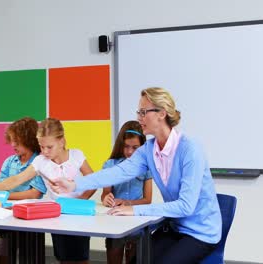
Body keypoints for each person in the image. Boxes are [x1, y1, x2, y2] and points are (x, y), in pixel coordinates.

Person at [51, 87, 222, 264]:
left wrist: (134, 209)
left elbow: (186, 206)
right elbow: (118, 172)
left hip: (201, 233)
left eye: (143, 112)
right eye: (138, 112)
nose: (139, 117)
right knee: (136, 261)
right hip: (175, 228)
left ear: (161, 113)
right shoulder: (149, 149)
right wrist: (74, 184)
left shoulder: (190, 148)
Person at [0, 117, 96, 264]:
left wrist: (81, 200)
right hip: (59, 216)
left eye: (49, 147)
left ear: (61, 142)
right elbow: (17, 179)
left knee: (81, 257)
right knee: (63, 257)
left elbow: (93, 180)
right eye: (41, 147)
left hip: (79, 214)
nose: (45, 151)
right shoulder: (40, 161)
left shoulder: (76, 156)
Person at [101, 120, 152, 264]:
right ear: (120, 145)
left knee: (134, 258)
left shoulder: (146, 167)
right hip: (115, 221)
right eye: (126, 147)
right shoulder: (110, 165)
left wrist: (128, 203)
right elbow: (105, 194)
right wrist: (106, 198)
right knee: (114, 256)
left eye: (135, 147)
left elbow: (147, 200)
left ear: (143, 146)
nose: (130, 152)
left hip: (136, 221)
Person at [0, 117, 47, 263]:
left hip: (30, 218)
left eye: (17, 142)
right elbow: (2, 186)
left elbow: (35, 193)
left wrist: (6, 195)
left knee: (30, 256)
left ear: (29, 140)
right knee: (4, 254)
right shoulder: (9, 162)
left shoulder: (40, 162)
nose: (13, 145)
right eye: (12, 140)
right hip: (7, 215)